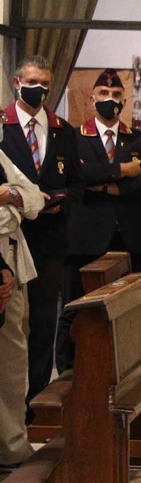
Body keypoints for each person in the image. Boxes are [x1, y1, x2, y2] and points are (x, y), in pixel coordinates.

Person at [57, 69, 141, 372]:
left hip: (128, 238)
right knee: (76, 308)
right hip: (85, 239)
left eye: (116, 96)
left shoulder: (138, 139)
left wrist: (105, 185)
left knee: (127, 308)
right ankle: (68, 370)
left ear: (124, 101)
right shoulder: (74, 137)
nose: (110, 100)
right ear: (92, 99)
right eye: (103, 94)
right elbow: (76, 175)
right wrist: (122, 171)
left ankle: (122, 369)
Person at [0, 55, 81, 413]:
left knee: (44, 319)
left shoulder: (62, 129)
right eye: (33, 82)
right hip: (11, 236)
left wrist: (63, 201)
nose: (40, 90)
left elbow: (76, 182)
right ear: (17, 83)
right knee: (13, 323)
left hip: (48, 237)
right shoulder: (2, 126)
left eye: (45, 84)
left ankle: (34, 397)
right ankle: (10, 403)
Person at [0, 151, 45, 471]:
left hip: (12, 258)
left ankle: (12, 442)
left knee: (13, 359)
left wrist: (11, 196)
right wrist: (13, 210)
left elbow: (33, 198)